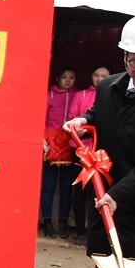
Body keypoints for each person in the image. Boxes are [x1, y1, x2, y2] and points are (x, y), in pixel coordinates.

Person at [64, 19, 135, 268]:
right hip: (106, 194)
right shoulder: (109, 86)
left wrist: (118, 195)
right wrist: (84, 120)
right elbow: (101, 114)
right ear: (124, 57)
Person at [70, 64, 111, 240]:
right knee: (79, 192)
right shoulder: (81, 95)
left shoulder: (111, 95)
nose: (100, 79)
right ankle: (80, 230)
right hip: (81, 150)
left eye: (104, 76)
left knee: (100, 193)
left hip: (102, 152)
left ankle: (98, 232)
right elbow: (73, 116)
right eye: (96, 75)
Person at [41, 66, 79, 238]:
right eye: (64, 77)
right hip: (51, 142)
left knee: (66, 186)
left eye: (71, 77)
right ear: (57, 78)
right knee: (48, 185)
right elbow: (41, 117)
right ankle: (47, 221)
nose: (68, 81)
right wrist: (44, 139)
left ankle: (63, 221)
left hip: (70, 141)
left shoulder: (77, 95)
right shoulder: (49, 95)